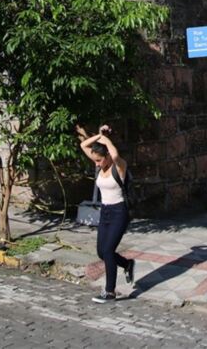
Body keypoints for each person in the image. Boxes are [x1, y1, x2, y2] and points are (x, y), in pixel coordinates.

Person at [78, 123, 135, 303]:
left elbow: (116, 154)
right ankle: (127, 263)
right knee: (102, 252)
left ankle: (110, 291)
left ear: (107, 156)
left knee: (109, 250)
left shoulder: (119, 166)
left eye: (99, 160)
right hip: (106, 212)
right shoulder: (100, 164)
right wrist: (99, 135)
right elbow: (83, 145)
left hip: (120, 212)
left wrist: (106, 139)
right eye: (95, 160)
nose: (96, 163)